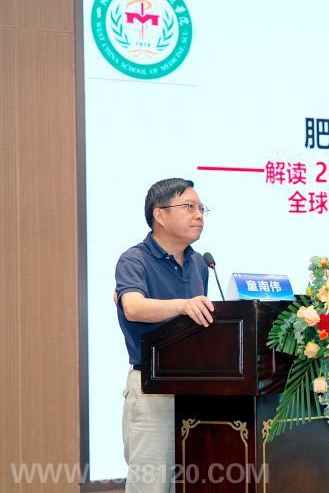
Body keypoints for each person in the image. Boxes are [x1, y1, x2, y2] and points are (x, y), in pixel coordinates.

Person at [115, 178, 214, 493]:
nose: (199, 214)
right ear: (160, 215)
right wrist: (183, 305)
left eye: (201, 208)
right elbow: (133, 307)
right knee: (151, 486)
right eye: (189, 207)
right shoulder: (135, 260)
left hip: (194, 390)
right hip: (153, 388)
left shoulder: (199, 263)